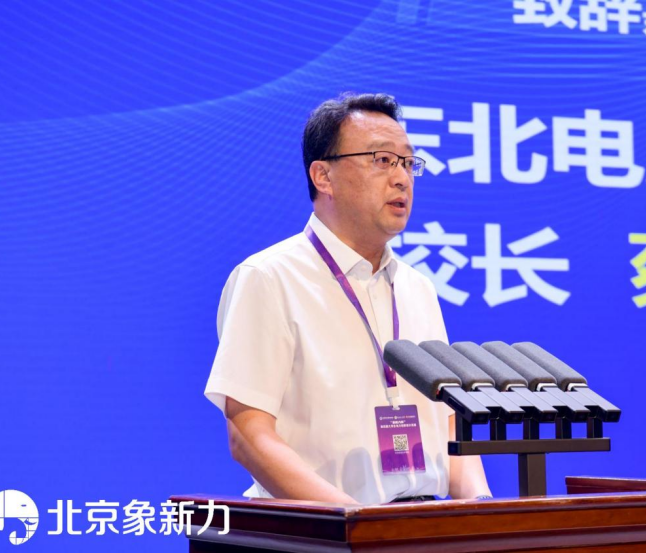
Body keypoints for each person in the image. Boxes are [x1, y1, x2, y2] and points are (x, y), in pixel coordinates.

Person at [204, 93, 491, 504]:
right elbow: (249, 435)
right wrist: (356, 523)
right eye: (382, 160)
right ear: (323, 176)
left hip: (421, 525)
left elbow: (446, 422)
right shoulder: (269, 278)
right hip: (324, 531)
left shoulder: (418, 287)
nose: (402, 178)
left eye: (408, 162)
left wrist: (481, 508)